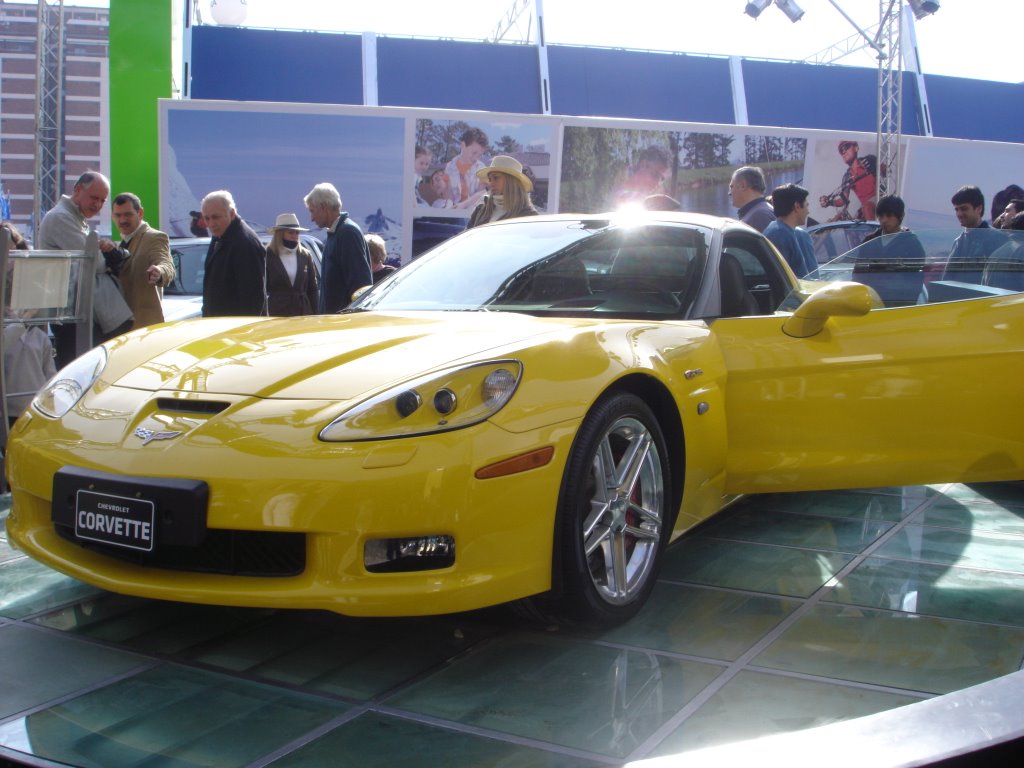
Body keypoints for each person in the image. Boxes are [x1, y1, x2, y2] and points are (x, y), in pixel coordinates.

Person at [36, 170, 132, 366]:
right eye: (94, 198)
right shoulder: (61, 217)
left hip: (78, 310)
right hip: (70, 313)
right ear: (78, 190)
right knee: (77, 371)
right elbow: (93, 263)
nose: (97, 205)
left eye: (102, 200)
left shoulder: (75, 216)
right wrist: (109, 257)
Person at [97, 193, 175, 330]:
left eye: (127, 215)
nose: (122, 220)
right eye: (118, 215)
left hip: (144, 328)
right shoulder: (121, 244)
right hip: (123, 328)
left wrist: (159, 272)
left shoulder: (154, 237)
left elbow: (166, 264)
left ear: (140, 213)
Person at [304, 182, 372, 313]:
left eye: (312, 211)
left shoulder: (347, 233)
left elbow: (360, 286)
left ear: (323, 207)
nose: (311, 218)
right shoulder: (336, 233)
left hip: (342, 324)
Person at [200, 190, 267, 317]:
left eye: (215, 217)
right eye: (206, 218)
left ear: (231, 213)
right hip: (220, 326)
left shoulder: (245, 243)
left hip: (237, 330)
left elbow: (253, 299)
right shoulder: (220, 236)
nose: (211, 224)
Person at [854, 195, 926, 306]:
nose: (884, 220)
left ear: (900, 216)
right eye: (881, 216)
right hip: (869, 303)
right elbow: (857, 274)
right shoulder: (869, 241)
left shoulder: (912, 244)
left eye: (889, 215)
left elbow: (915, 282)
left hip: (896, 306)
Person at [945, 184, 1007, 283]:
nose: (959, 214)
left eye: (964, 209)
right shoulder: (958, 241)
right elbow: (947, 278)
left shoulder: (996, 239)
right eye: (957, 209)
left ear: (979, 209)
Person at [262, 213, 319, 316]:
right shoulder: (268, 255)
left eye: (297, 233)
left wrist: (316, 314)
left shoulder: (305, 256)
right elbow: (262, 289)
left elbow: (312, 288)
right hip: (277, 314)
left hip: (303, 313)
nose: (295, 236)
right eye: (291, 233)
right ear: (280, 234)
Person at [466, 155, 539, 229]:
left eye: (496, 177)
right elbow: (466, 238)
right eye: (490, 179)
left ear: (511, 181)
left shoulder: (529, 217)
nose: (491, 183)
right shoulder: (481, 210)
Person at [764, 183, 817, 278]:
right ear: (797, 206)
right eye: (806, 205)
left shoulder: (778, 229)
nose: (808, 211)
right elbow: (780, 278)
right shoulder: (781, 234)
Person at [819, 140, 880, 221]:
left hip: (879, 200)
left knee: (866, 207)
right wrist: (829, 202)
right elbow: (843, 201)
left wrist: (876, 167)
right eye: (841, 151)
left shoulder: (869, 160)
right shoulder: (847, 176)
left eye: (846, 147)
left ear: (856, 148)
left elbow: (886, 171)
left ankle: (876, 233)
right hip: (865, 207)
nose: (843, 152)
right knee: (848, 223)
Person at [444, 127, 490, 208]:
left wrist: (464, 205)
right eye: (474, 153)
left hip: (473, 212)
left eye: (479, 155)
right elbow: (449, 193)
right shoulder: (449, 167)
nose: (476, 158)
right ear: (463, 145)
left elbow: (482, 193)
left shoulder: (482, 169)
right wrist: (449, 207)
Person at [729, 166, 774, 232]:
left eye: (731, 186)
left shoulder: (760, 215)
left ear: (742, 186)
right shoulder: (759, 211)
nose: (729, 193)